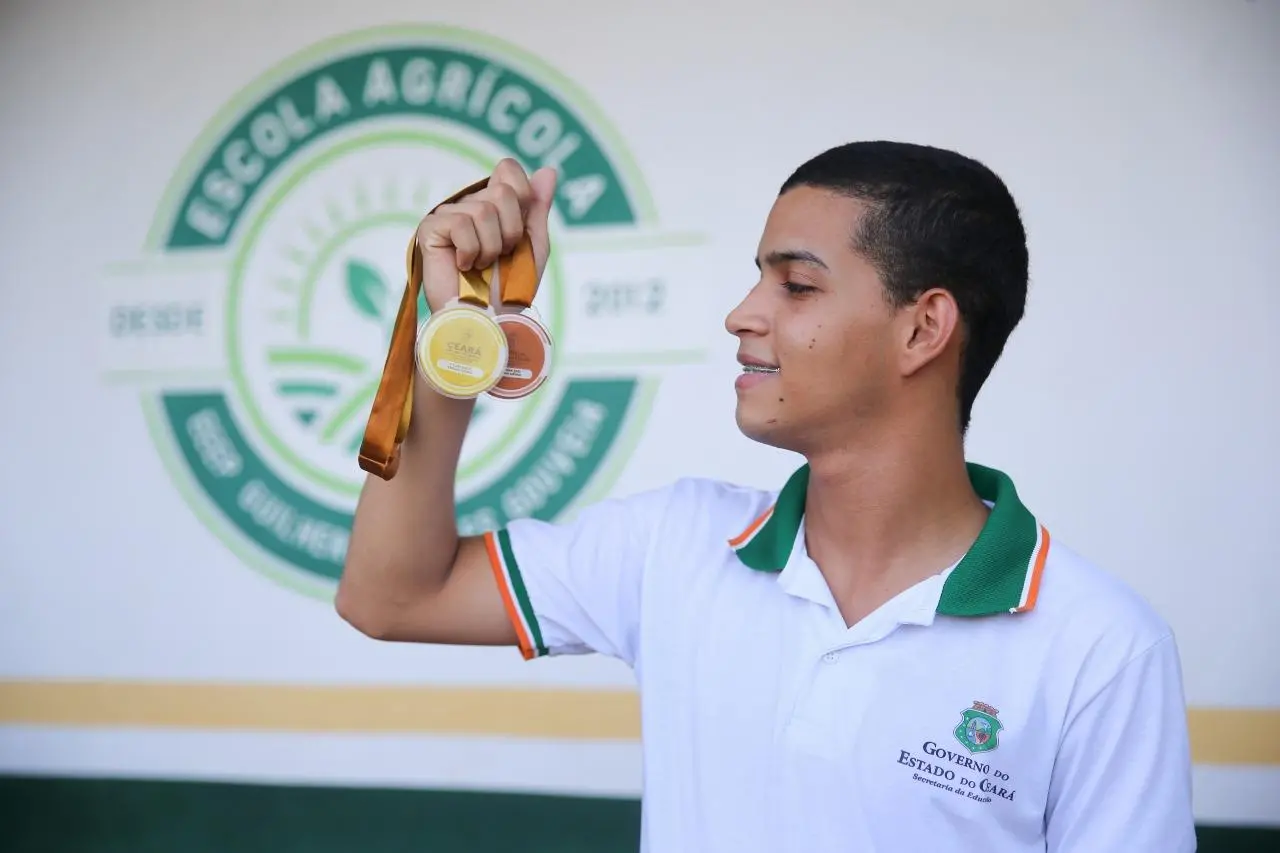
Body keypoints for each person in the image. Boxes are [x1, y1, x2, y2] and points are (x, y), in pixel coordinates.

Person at [337, 142, 1197, 852]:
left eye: (796, 285)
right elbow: (390, 594)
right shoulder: (675, 544)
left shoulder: (1101, 648)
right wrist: (457, 337)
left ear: (923, 328)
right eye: (760, 278)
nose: (742, 314)